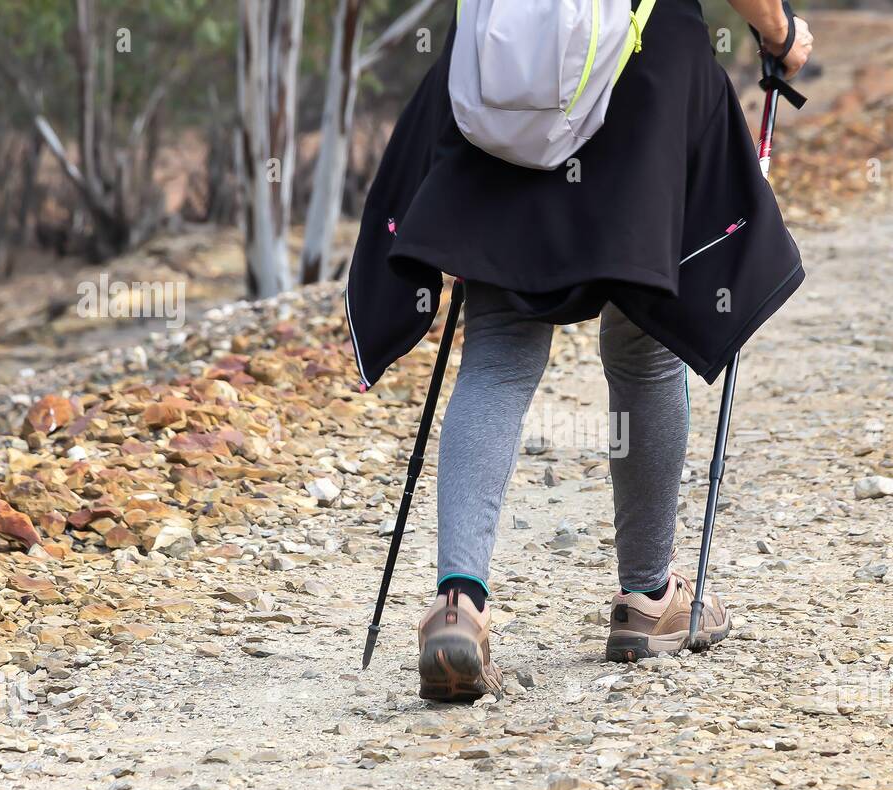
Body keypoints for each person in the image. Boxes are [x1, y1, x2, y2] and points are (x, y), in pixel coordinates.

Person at [344, 0, 814, 702]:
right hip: (641, 63)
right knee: (646, 340)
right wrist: (778, 33)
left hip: (505, 67)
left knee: (500, 344)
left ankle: (458, 608)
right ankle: (647, 598)